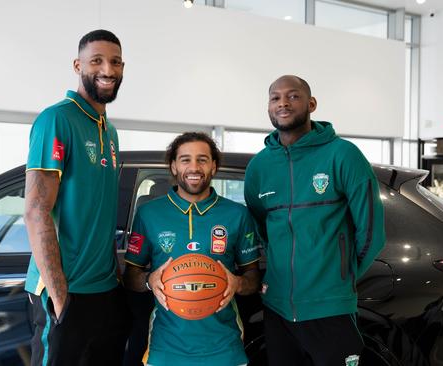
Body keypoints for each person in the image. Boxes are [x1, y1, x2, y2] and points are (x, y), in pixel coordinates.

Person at [244, 75, 386, 366]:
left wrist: (339, 275)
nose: (283, 103)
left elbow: (371, 230)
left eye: (293, 96)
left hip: (330, 307)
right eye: (275, 98)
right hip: (277, 307)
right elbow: (262, 228)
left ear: (311, 104)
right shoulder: (259, 166)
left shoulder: (343, 155)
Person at [23, 29, 128, 366]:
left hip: (104, 293)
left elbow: (101, 212)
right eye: (96, 61)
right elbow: (36, 211)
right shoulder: (57, 119)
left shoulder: (108, 130)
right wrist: (59, 296)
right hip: (66, 294)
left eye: (115, 62)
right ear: (77, 65)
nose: (107, 70)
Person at [123, 132, 261, 366]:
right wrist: (149, 280)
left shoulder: (237, 214)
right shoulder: (149, 214)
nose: (194, 167)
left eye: (202, 159)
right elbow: (130, 277)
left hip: (224, 350)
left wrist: (237, 283)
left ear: (214, 166)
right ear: (174, 167)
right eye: (185, 159)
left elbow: (253, 278)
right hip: (165, 349)